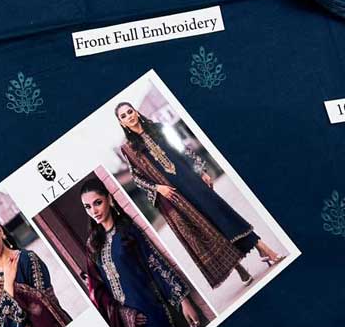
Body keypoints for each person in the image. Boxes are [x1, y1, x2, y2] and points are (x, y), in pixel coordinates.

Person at [115, 101, 285, 289]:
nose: (129, 116)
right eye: (123, 116)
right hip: (174, 196)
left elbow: (182, 148)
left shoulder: (159, 128)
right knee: (204, 230)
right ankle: (239, 268)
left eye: (130, 111)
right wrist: (157, 188)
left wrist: (201, 170)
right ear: (122, 123)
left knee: (223, 215)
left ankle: (264, 250)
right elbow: (137, 178)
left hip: (192, 180)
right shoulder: (129, 149)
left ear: (136, 112)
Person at [80, 177, 201, 327]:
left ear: (109, 199)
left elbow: (155, 264)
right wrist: (124, 316)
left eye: (97, 203)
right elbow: (98, 289)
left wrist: (183, 300)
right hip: (128, 325)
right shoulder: (93, 245)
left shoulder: (127, 231)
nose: (94, 211)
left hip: (152, 311)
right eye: (88, 207)